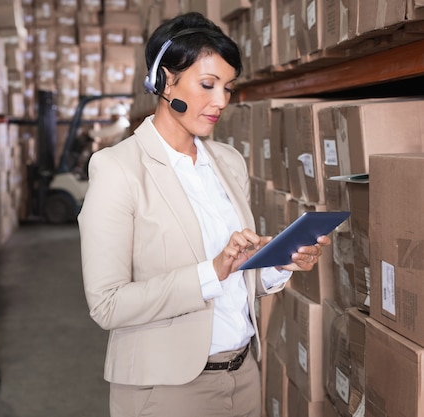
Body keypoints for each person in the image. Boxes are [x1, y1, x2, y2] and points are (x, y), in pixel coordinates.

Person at [77, 12, 332, 417]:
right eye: (208, 85)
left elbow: (234, 281)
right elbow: (108, 304)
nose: (221, 102)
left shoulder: (228, 161)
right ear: (164, 81)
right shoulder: (117, 168)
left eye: (228, 89)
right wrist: (210, 270)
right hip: (166, 390)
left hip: (243, 375)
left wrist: (277, 264)